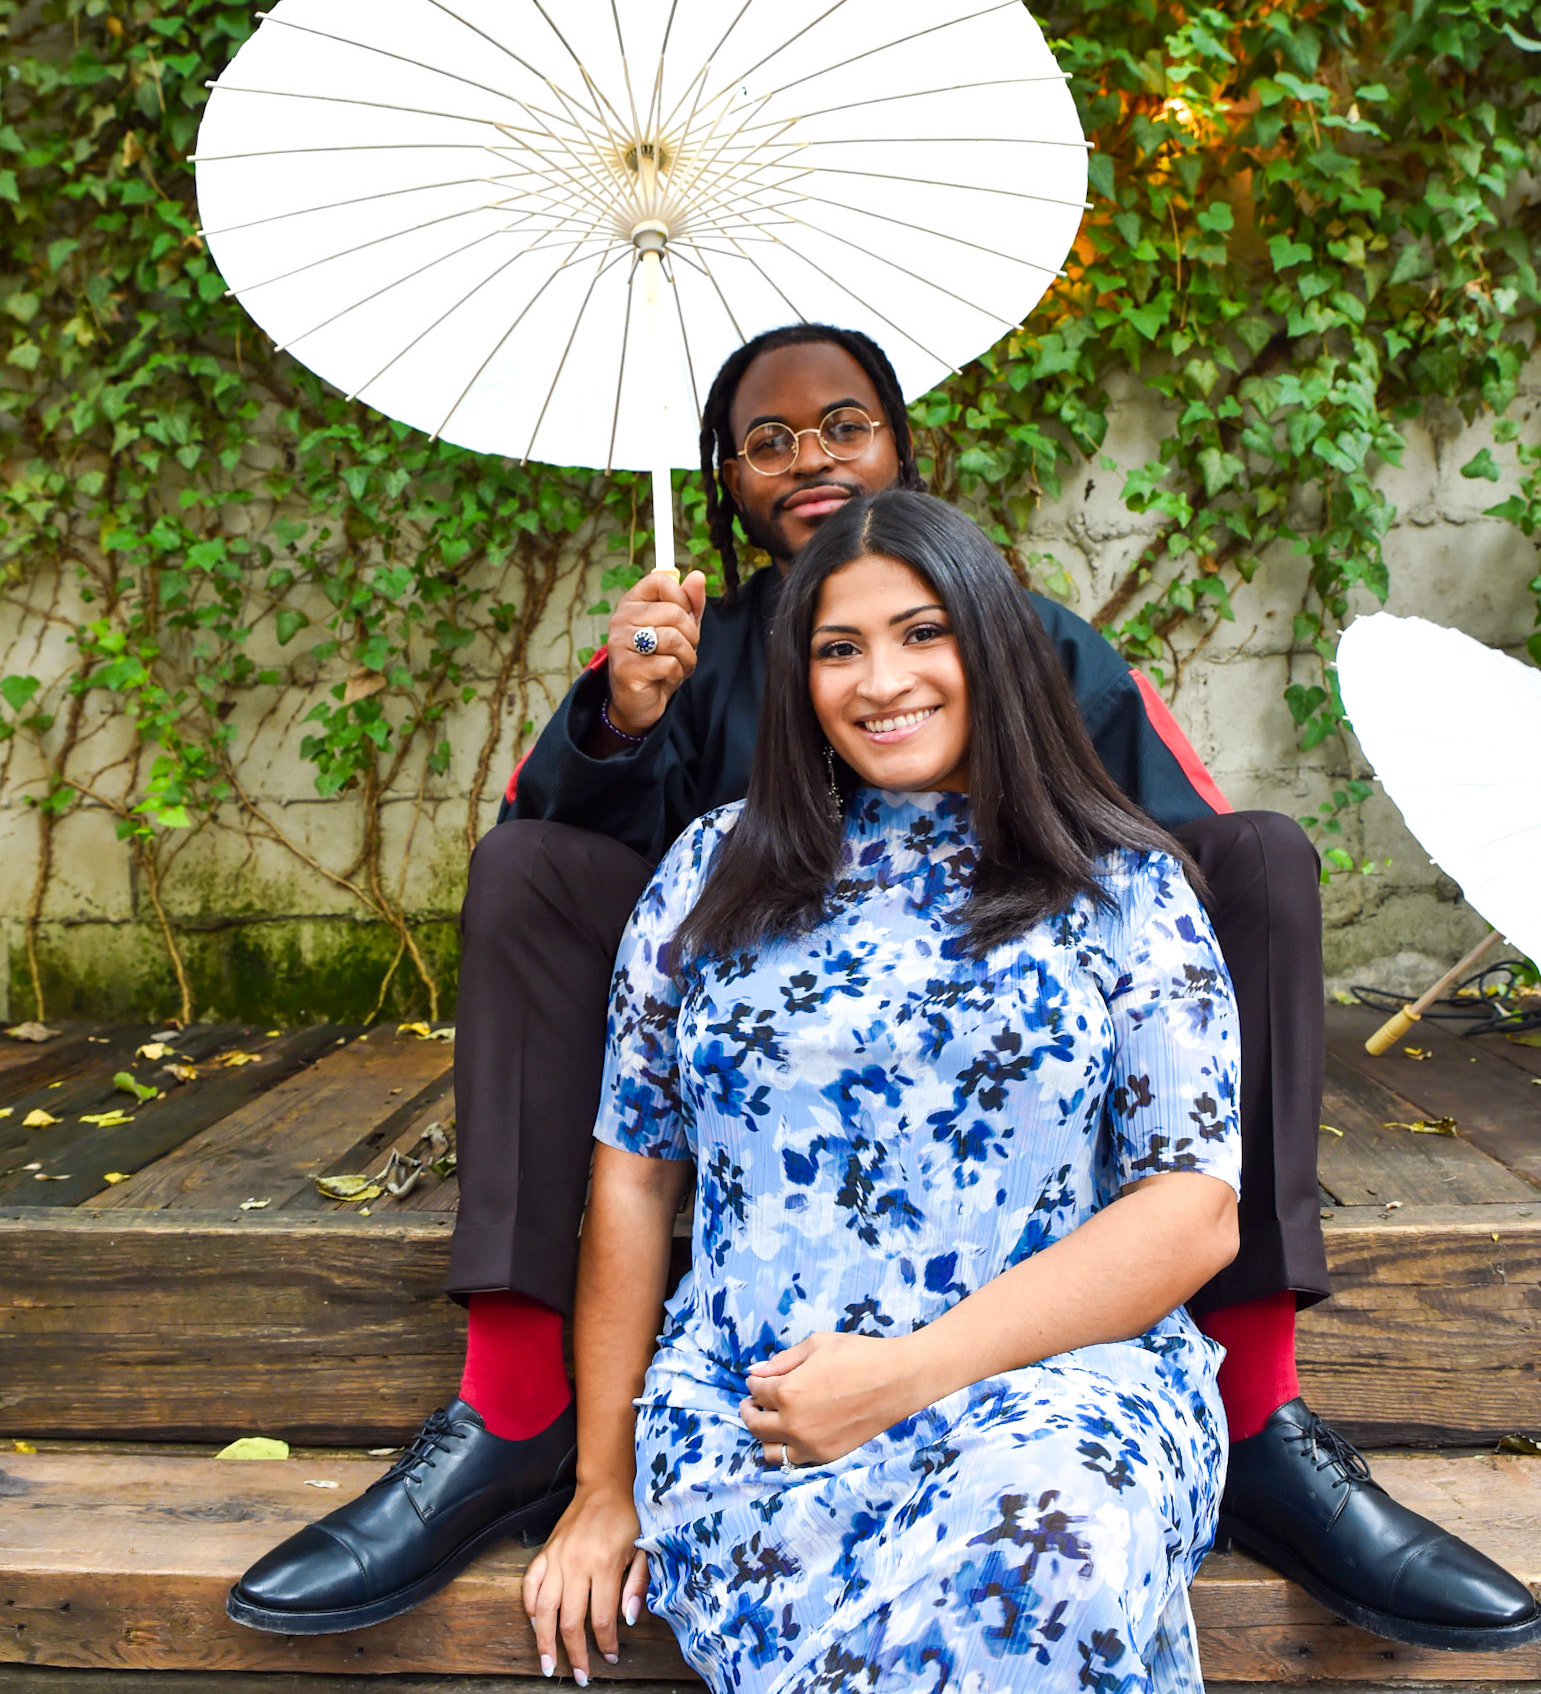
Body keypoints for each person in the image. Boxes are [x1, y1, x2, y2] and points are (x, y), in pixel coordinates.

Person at [228, 324, 1541, 1653]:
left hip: (1013, 1039)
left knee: (1257, 857)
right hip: (722, 1005)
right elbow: (573, 883)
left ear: (902, 448)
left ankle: (1253, 1402)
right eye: (768, 440)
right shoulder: (680, 651)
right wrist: (622, 717)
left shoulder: (1033, 644)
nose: (809, 457)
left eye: (842, 425)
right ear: (725, 479)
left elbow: (1170, 834)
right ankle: (516, 1402)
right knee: (521, 867)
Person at [524, 488, 1244, 1691]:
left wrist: (907, 1374)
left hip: (1053, 1390)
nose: (880, 680)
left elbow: (1192, 1208)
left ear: (993, 643)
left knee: (1043, 1535)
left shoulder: (1120, 884)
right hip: (754, 1416)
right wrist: (602, 1484)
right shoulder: (708, 869)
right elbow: (634, 1181)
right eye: (837, 648)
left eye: (922, 632)